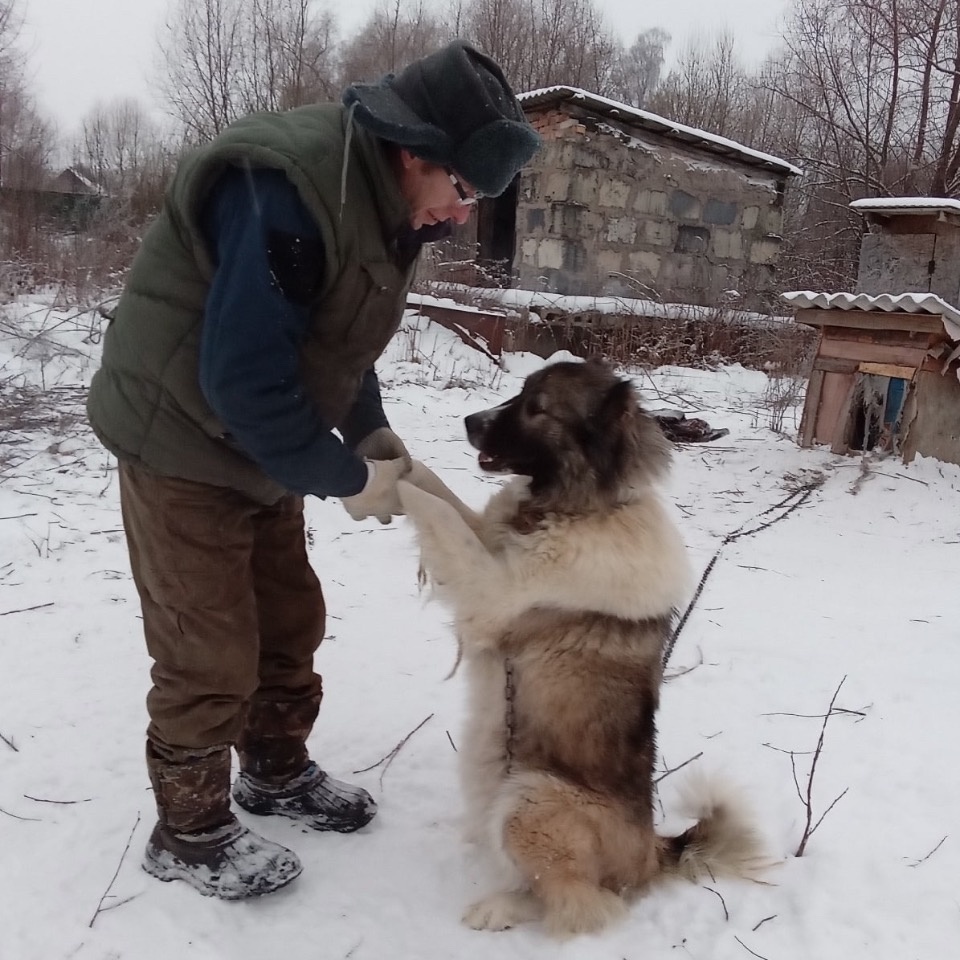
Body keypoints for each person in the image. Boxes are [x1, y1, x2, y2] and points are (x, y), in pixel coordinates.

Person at [86, 40, 540, 901]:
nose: (461, 217)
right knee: (208, 645)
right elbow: (244, 377)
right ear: (416, 153)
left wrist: (367, 434)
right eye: (464, 191)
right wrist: (341, 478)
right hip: (180, 437)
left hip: (258, 438)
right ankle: (189, 829)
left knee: (289, 618)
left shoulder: (383, 201)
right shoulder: (289, 190)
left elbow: (335, 335)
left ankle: (275, 771)